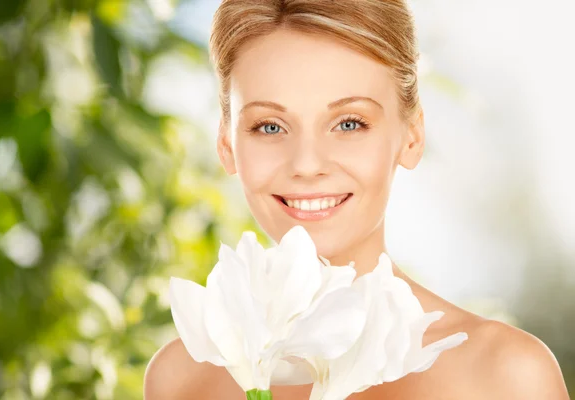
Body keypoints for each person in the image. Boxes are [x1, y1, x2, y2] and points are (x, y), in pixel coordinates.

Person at [144, 0, 570, 398]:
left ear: (412, 136)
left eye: (349, 123)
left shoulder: (504, 377)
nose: (307, 164)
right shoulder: (182, 377)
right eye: (270, 127)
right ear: (226, 143)